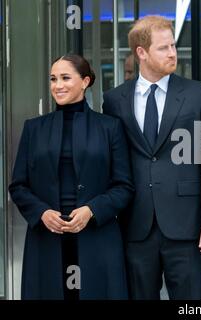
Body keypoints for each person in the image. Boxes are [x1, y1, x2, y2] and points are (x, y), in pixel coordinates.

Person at [102, 15, 201, 300]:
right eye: (163, 48)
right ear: (141, 53)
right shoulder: (114, 100)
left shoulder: (198, 95)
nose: (172, 53)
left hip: (189, 226)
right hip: (135, 225)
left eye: (173, 46)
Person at [9, 54, 134, 299]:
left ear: (85, 81)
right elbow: (19, 185)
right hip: (46, 238)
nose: (58, 85)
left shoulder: (110, 127)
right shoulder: (33, 128)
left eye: (66, 78)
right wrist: (42, 213)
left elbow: (124, 186)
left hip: (97, 238)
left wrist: (92, 210)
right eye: (53, 79)